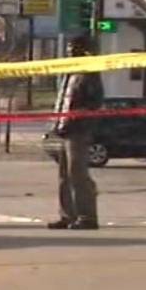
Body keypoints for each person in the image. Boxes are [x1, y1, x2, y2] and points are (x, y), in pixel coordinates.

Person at [47, 35, 104, 230]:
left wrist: (80, 116)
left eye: (74, 48)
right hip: (64, 129)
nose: (69, 51)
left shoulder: (89, 72)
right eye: (69, 47)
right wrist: (56, 123)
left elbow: (95, 102)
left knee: (77, 174)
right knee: (64, 175)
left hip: (79, 130)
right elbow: (63, 101)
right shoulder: (70, 74)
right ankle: (67, 215)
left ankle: (86, 216)